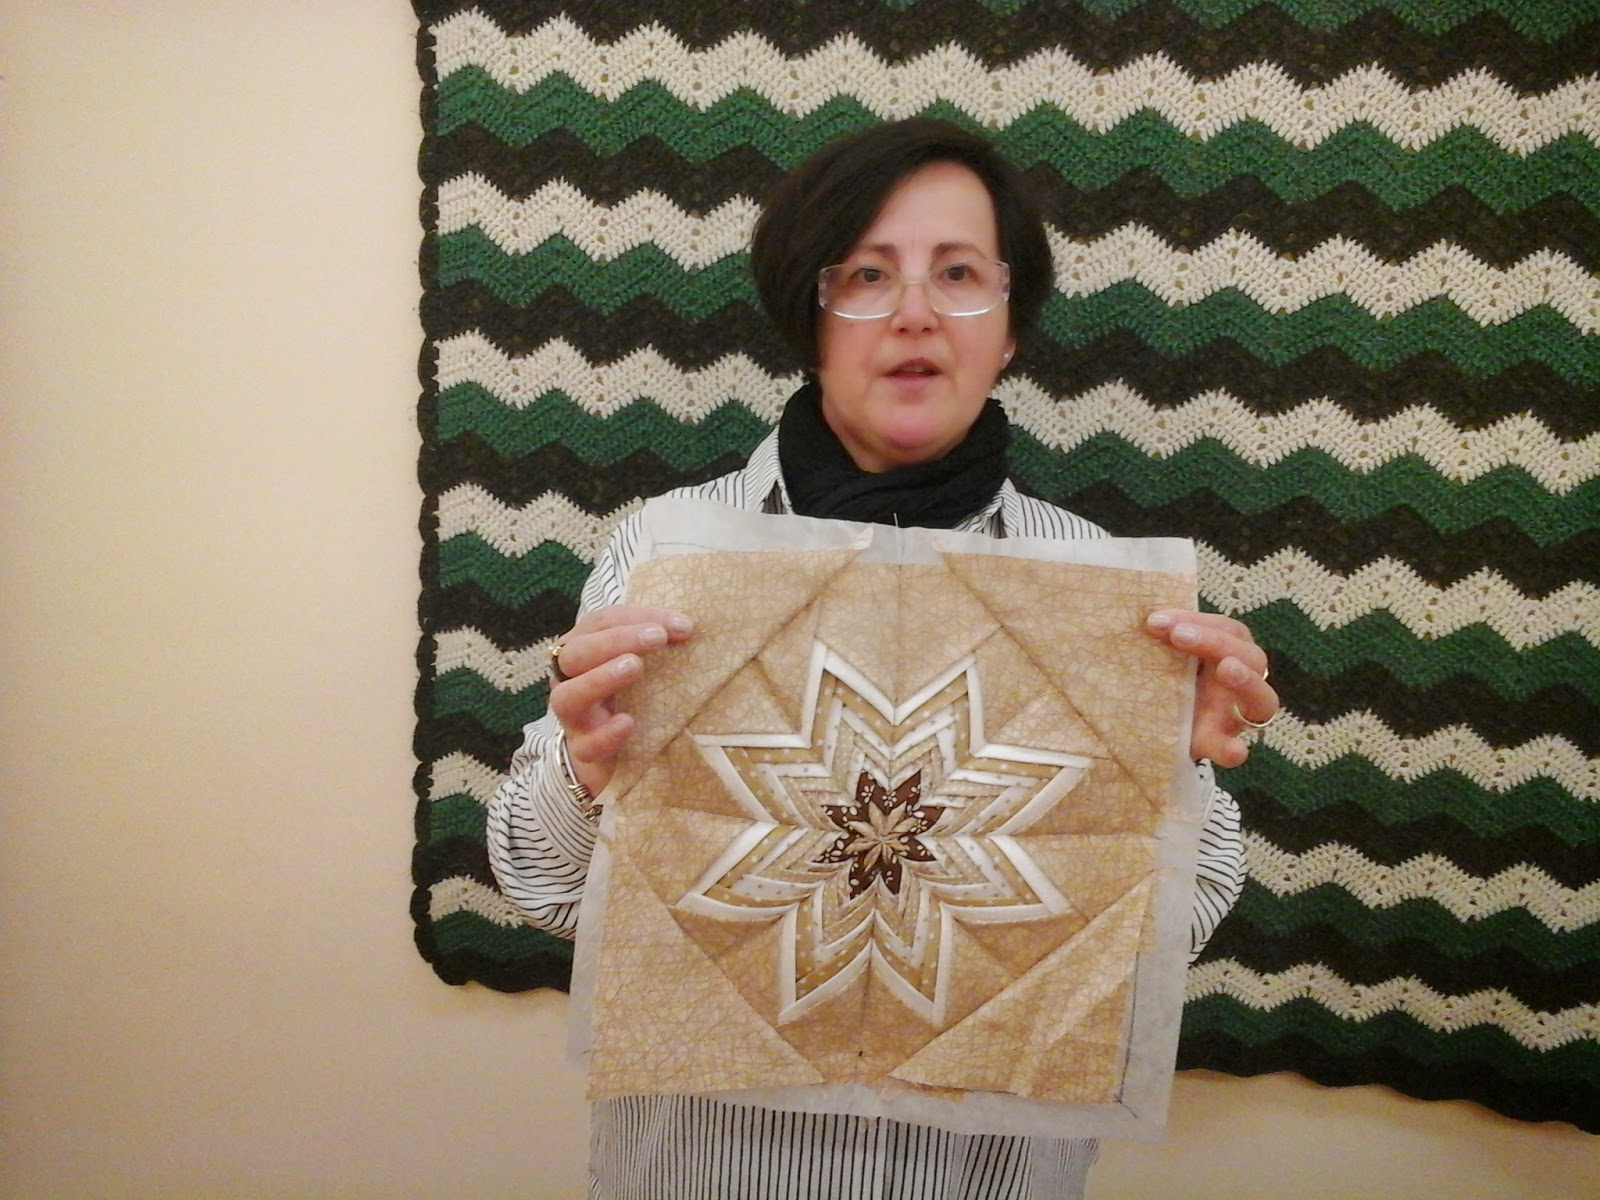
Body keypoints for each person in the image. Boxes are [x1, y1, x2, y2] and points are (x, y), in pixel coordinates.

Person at [487, 118, 1277, 1200]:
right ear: (808, 320)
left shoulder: (1100, 586)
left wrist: (1176, 781)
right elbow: (543, 888)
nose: (915, 312)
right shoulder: (671, 550)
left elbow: (1179, 931)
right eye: (865, 275)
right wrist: (583, 770)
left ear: (1009, 330)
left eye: (959, 274)